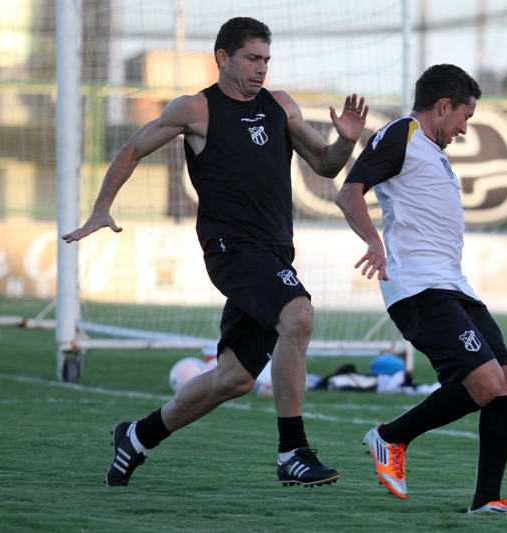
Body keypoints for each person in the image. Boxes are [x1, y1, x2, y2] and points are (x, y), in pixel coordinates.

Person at [62, 17, 368, 487]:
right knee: (299, 315)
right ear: (222, 58)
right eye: (252, 58)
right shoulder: (196, 109)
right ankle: (293, 452)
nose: (261, 68)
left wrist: (345, 140)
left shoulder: (280, 106)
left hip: (273, 252)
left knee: (234, 379)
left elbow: (326, 165)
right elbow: (133, 149)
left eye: (266, 60)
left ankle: (136, 437)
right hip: (231, 249)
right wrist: (102, 208)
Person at [334, 64, 507, 514]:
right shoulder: (403, 133)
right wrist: (373, 242)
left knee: (505, 381)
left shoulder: (433, 151)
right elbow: (349, 192)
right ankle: (391, 437)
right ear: (443, 106)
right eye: (464, 118)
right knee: (483, 381)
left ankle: (487, 500)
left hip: (453, 285)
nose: (464, 130)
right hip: (419, 287)